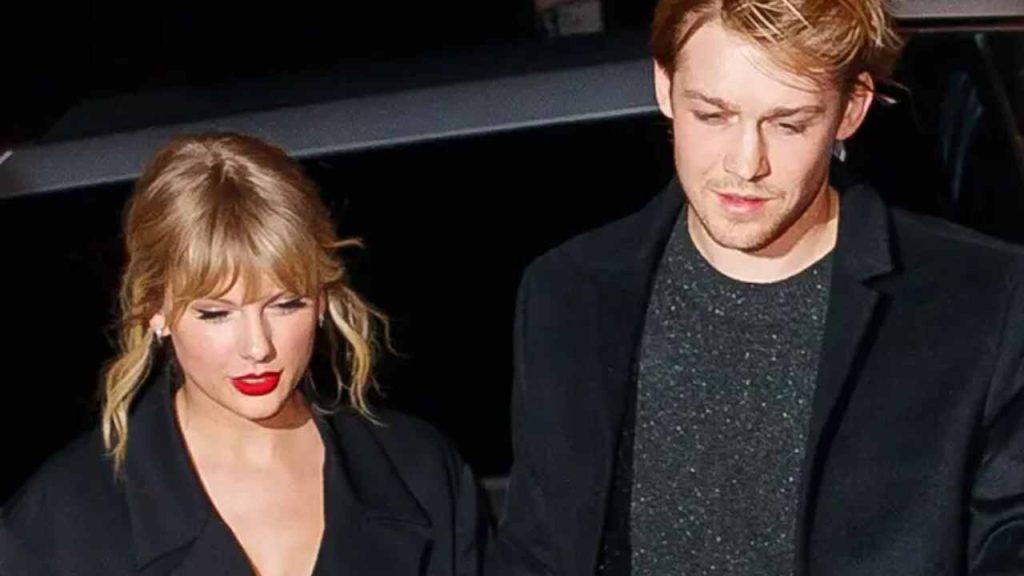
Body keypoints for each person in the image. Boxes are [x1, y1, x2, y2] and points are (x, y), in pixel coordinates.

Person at [489, 1, 1024, 574]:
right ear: (665, 86)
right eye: (713, 115)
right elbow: (537, 552)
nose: (746, 164)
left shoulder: (983, 302)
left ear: (851, 109)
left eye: (788, 123)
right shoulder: (569, 294)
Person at [1, 133, 489, 576]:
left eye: (286, 304)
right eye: (216, 314)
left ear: (322, 300)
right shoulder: (62, 520)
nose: (258, 347)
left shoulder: (418, 473)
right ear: (156, 311)